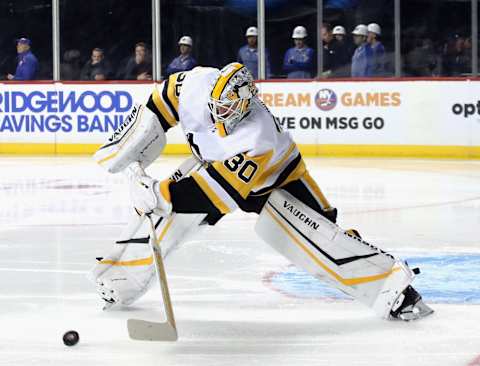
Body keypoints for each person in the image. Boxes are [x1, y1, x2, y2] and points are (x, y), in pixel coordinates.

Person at [90, 62, 434, 323]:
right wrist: (130, 160)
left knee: (324, 237)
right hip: (213, 164)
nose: (220, 114)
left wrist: (158, 190)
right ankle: (120, 279)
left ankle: (395, 293)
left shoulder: (258, 138)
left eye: (229, 110)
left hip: (277, 180)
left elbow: (210, 194)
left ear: (244, 105)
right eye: (217, 107)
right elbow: (154, 111)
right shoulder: (191, 84)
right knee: (163, 216)